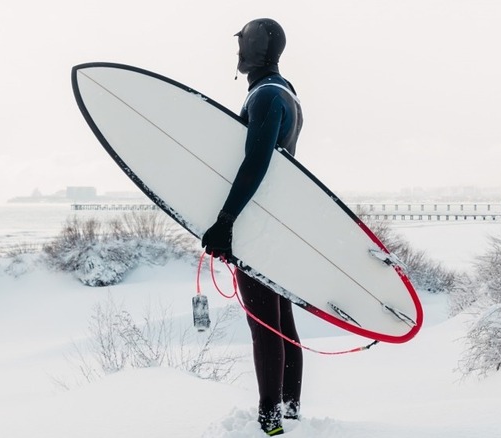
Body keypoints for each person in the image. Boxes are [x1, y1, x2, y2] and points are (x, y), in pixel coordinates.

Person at [201, 18, 304, 437]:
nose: (238, 51)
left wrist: (225, 222)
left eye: (243, 43)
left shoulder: (265, 97)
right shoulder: (287, 93)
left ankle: (270, 421)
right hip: (279, 224)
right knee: (282, 323)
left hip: (259, 227)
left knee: (265, 326)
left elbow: (256, 163)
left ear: (257, 49)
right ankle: (292, 412)